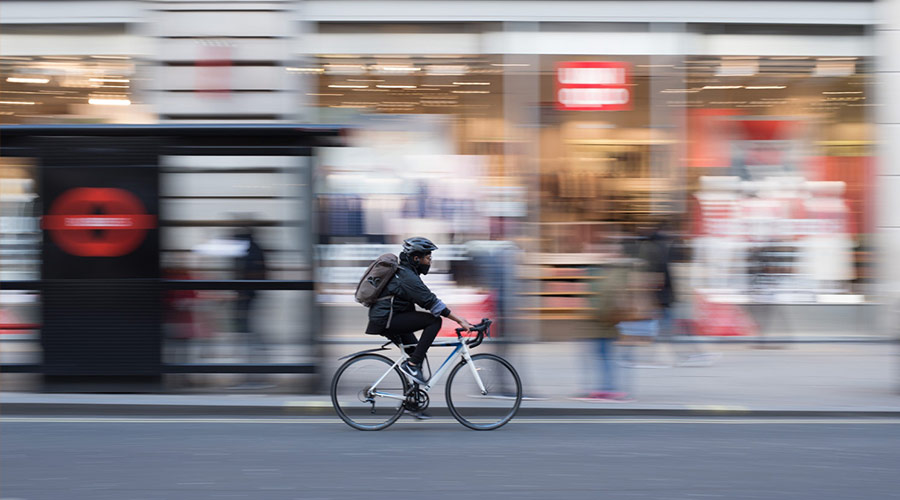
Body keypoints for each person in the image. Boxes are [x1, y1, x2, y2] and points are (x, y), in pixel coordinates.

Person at [365, 237, 473, 384]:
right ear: (416, 258)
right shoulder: (406, 276)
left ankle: (412, 396)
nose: (430, 261)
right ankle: (412, 365)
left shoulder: (407, 272)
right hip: (386, 319)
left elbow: (426, 299)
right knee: (434, 321)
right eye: (428, 257)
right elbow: (430, 302)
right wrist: (460, 320)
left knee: (417, 352)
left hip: (391, 317)